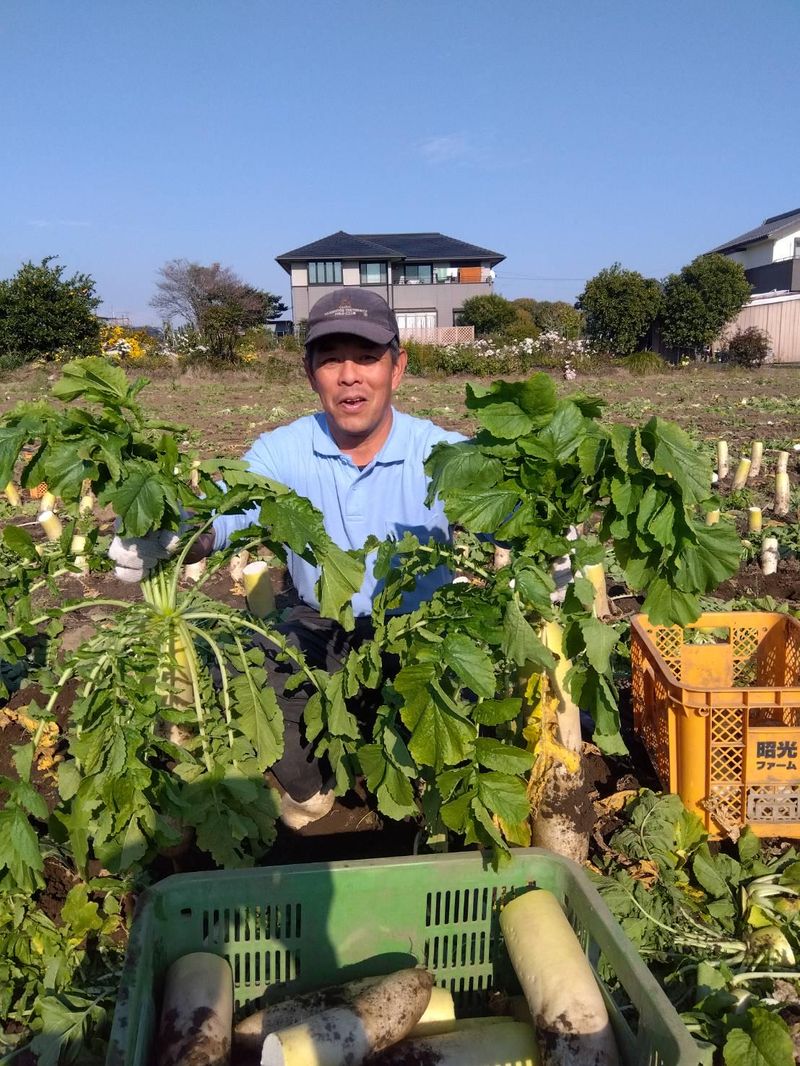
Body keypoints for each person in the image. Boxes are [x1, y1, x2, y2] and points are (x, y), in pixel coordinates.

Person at [109, 288, 464, 828]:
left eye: (367, 357)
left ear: (398, 368)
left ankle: (420, 794)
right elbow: (224, 513)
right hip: (318, 620)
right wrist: (174, 536)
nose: (349, 375)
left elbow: (500, 512)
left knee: (453, 717)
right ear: (310, 373)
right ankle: (314, 798)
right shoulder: (282, 451)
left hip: (422, 626)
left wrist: (547, 539)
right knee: (259, 680)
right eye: (331, 360)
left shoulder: (441, 452)